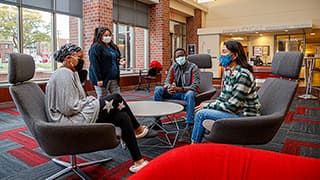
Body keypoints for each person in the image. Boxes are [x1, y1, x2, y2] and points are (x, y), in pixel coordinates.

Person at [46, 43, 149, 173]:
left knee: (122, 116)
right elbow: (69, 108)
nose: (82, 61)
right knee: (116, 98)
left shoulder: (71, 73)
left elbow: (75, 102)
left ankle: (138, 161)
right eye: (79, 57)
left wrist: (88, 101)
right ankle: (137, 129)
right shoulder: (64, 74)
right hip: (70, 120)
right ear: (68, 58)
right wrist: (90, 101)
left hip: (75, 115)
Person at [191, 40, 261, 144]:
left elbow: (233, 105)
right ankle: (201, 145)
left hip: (244, 116)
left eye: (224, 52)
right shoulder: (228, 71)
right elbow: (223, 98)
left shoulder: (243, 75)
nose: (221, 55)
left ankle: (193, 148)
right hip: (234, 111)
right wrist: (209, 104)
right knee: (201, 109)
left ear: (234, 56)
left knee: (202, 114)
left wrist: (208, 106)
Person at [153, 48, 200, 143]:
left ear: (186, 56)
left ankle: (189, 126)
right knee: (158, 89)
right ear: (174, 58)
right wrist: (169, 87)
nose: (180, 58)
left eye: (181, 56)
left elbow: (195, 86)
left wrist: (179, 89)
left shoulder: (193, 67)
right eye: (177, 57)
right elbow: (166, 81)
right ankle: (157, 121)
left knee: (190, 94)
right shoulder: (174, 67)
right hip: (176, 92)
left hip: (187, 93)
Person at [88, 27, 126, 98]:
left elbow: (114, 58)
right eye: (105, 35)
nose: (108, 37)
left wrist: (119, 61)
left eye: (109, 35)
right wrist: (98, 79)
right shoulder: (96, 47)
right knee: (103, 98)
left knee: (117, 97)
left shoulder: (113, 46)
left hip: (114, 77)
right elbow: (95, 64)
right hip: (102, 78)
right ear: (100, 36)